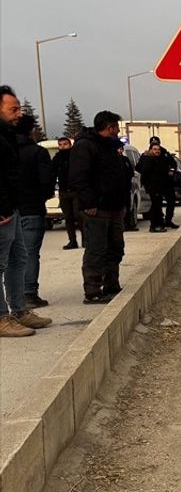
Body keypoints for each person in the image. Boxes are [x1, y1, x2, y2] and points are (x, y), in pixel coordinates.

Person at [0, 85, 51, 336]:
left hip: (14, 208)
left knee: (19, 258)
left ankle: (19, 310)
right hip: (3, 211)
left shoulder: (8, 135)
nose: (19, 113)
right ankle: (1, 319)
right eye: (13, 109)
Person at [69, 110, 131, 304]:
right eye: (116, 127)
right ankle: (93, 290)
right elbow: (78, 178)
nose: (118, 131)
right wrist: (89, 204)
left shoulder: (111, 147)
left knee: (115, 248)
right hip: (97, 209)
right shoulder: (85, 146)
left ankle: (111, 284)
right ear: (109, 127)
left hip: (115, 208)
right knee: (97, 250)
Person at [13, 114, 55, 307]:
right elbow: (46, 182)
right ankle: (29, 293)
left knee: (12, 256)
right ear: (31, 130)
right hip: (32, 209)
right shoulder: (37, 153)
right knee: (30, 253)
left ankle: (15, 296)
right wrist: (41, 197)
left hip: (10, 211)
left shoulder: (7, 151)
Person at [50, 135, 80, 249]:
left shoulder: (75, 157)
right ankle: (72, 240)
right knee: (68, 217)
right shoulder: (57, 159)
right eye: (60, 145)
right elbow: (52, 174)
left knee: (79, 216)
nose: (62, 147)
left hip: (75, 191)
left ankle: (86, 240)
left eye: (65, 144)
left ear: (70, 145)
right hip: (63, 191)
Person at [135, 143, 171, 233]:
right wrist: (146, 184)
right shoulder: (149, 160)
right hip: (153, 187)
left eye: (158, 149)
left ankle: (158, 225)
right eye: (155, 149)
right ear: (151, 150)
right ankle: (153, 226)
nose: (157, 151)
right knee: (155, 206)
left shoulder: (158, 159)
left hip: (158, 187)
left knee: (157, 206)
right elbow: (144, 172)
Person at [147, 135, 180, 229]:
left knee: (171, 201)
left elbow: (173, 164)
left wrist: (172, 171)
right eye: (153, 144)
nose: (156, 149)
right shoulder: (148, 156)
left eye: (157, 143)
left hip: (167, 183)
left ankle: (168, 220)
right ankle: (156, 223)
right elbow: (141, 168)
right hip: (155, 184)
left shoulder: (165, 153)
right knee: (156, 204)